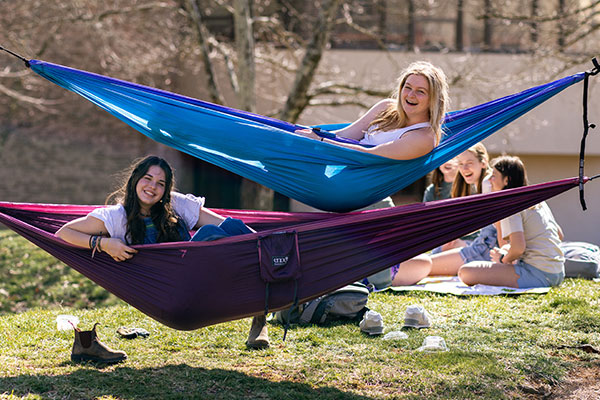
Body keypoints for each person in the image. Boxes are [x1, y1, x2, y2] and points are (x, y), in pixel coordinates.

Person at [56, 156, 269, 360]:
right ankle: (268, 271)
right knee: (209, 234)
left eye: (160, 183)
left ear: (166, 189)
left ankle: (263, 297)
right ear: (135, 180)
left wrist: (261, 240)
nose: (152, 187)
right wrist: (104, 244)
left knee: (228, 228)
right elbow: (64, 232)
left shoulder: (176, 205)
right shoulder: (115, 217)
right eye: (147, 179)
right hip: (167, 289)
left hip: (201, 278)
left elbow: (228, 225)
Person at [296, 61, 449, 160]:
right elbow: (346, 135)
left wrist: (322, 141)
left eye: (420, 91)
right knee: (290, 143)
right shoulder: (386, 107)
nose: (410, 95)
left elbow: (369, 155)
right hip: (339, 163)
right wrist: (315, 137)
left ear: (433, 99)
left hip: (359, 189)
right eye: (407, 87)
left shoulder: (423, 137)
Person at [457, 156, 565, 288]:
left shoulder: (511, 205)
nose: (489, 180)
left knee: (466, 272)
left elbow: (519, 248)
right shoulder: (537, 200)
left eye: (494, 176)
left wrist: (503, 259)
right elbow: (559, 235)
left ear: (507, 180)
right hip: (558, 273)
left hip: (537, 275)